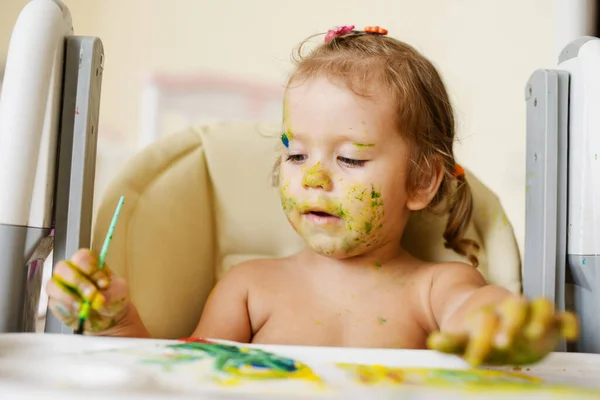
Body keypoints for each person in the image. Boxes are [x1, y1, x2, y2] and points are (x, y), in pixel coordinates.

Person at [46, 25, 578, 366]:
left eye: (349, 158)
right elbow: (181, 377)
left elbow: (475, 310)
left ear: (421, 181)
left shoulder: (437, 286)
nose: (314, 179)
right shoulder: (250, 288)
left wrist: (499, 320)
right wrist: (117, 324)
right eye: (295, 154)